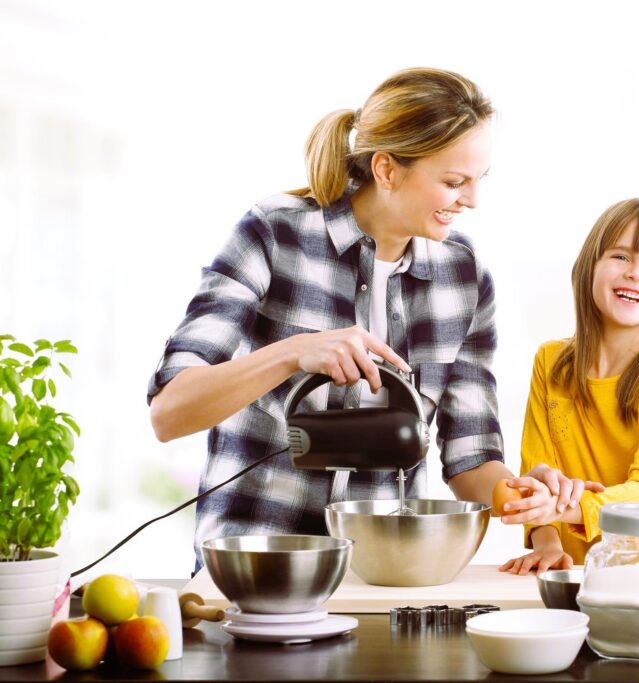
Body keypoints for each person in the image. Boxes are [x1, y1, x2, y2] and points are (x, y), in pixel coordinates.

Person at [148, 67, 576, 569]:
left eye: (479, 180)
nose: (472, 200)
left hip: (383, 575)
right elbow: (169, 412)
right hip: (257, 569)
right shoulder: (275, 233)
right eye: (454, 181)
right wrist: (293, 351)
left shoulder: (464, 276)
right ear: (387, 169)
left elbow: (470, 455)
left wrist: (518, 495)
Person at [498, 198, 639, 575]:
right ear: (591, 268)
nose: (636, 273)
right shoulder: (550, 364)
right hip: (583, 576)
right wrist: (548, 545)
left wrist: (560, 507)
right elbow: (537, 474)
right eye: (621, 256)